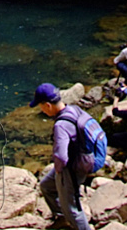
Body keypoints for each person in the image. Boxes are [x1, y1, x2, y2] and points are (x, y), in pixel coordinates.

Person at [30, 83, 92, 230]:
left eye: (40, 106)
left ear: (47, 105)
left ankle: (74, 222)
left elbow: (62, 157)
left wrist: (59, 171)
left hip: (71, 168)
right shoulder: (74, 109)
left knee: (72, 208)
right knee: (46, 185)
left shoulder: (61, 125)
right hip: (83, 158)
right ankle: (61, 217)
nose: (42, 110)